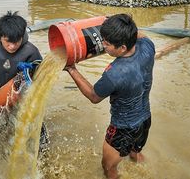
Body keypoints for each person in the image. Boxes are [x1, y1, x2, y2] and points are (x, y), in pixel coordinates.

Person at [64, 13, 155, 179]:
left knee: (108, 167)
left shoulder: (114, 74)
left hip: (123, 129)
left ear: (122, 48)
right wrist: (119, 24)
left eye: (107, 43)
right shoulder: (148, 47)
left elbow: (94, 96)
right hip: (145, 120)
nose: (103, 45)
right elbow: (140, 34)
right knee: (135, 154)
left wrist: (71, 69)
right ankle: (144, 170)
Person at [0, 11, 42, 118]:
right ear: (0, 37)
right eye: (7, 41)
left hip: (27, 100)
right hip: (5, 97)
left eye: (16, 42)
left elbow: (41, 83)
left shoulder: (31, 52)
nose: (12, 46)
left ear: (21, 36)